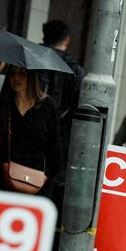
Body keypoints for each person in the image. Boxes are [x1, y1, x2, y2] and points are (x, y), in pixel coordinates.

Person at [0, 64, 62, 200]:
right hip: (2, 183)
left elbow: (55, 150)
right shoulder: (1, 104)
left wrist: (48, 177)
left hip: (37, 184)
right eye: (12, 74)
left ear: (32, 76)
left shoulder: (47, 106)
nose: (16, 78)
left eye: (22, 73)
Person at [39, 20, 85, 159]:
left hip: (25, 129)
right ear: (67, 40)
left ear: (44, 38)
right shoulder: (75, 70)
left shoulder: (29, 60)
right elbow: (78, 106)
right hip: (60, 135)